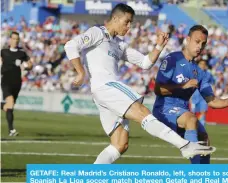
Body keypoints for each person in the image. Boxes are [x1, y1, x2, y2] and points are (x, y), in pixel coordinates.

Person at [64, 3, 216, 164]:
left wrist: (158, 47)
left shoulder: (119, 44)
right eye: (127, 22)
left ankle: (91, 177)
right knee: (142, 111)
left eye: (131, 23)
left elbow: (145, 63)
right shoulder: (97, 32)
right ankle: (185, 146)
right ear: (115, 18)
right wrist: (80, 72)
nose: (129, 26)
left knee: (120, 144)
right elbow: (71, 45)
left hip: (102, 94)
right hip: (106, 86)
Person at [152, 25, 228, 164]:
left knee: (204, 140)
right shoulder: (173, 59)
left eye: (203, 44)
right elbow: (158, 89)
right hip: (164, 108)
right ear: (188, 40)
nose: (200, 47)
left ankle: (201, 175)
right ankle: (191, 158)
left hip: (182, 111)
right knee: (192, 120)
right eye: (197, 42)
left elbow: (211, 101)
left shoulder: (199, 72)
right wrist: (183, 86)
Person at [1, 31, 33, 136]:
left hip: (17, 82)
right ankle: (11, 130)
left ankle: (11, 130)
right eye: (13, 38)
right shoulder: (3, 51)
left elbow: (30, 64)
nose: (15, 41)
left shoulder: (22, 53)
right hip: (6, 80)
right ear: (10, 39)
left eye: (17, 39)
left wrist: (28, 67)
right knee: (9, 102)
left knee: (9, 107)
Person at [190, 60, 215, 127]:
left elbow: (212, 84)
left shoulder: (208, 74)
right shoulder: (194, 73)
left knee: (203, 112)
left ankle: (201, 128)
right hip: (194, 96)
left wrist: (213, 95)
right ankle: (193, 127)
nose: (202, 65)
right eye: (201, 64)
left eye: (204, 64)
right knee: (193, 113)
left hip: (204, 97)